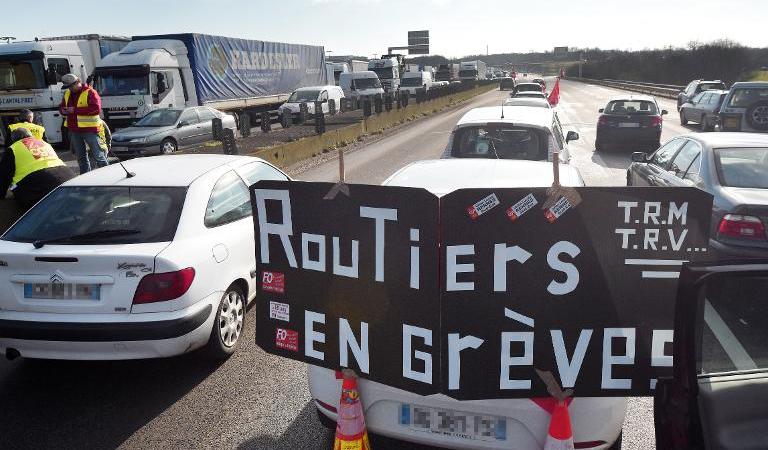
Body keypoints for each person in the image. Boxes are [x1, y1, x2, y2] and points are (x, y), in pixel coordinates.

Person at [0, 128, 75, 211]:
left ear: (13, 139)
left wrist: (1, 194)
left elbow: (4, 174)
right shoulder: (45, 143)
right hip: (68, 179)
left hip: (37, 187)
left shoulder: (13, 148)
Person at [59, 73, 109, 174]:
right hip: (74, 130)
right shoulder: (67, 93)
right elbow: (62, 106)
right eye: (68, 87)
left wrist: (74, 110)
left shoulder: (90, 92)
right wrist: (63, 110)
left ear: (77, 82)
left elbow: (96, 109)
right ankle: (85, 176)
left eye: (71, 86)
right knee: (81, 157)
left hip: (89, 129)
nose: (69, 89)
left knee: (98, 156)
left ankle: (108, 175)